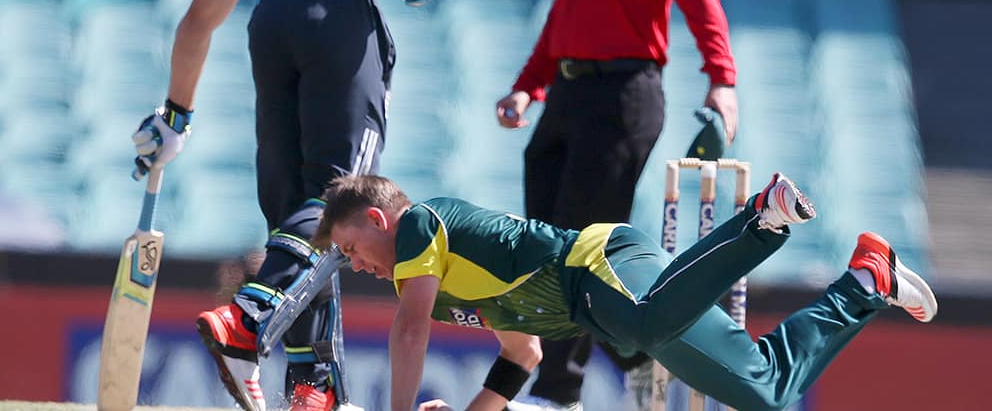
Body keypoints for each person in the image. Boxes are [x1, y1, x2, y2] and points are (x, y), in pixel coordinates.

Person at [130, 0, 454, 411]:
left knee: (295, 214)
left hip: (271, 24)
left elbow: (197, 20)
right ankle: (247, 320)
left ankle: (313, 387)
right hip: (340, 10)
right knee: (341, 197)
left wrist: (176, 114)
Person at [494, 0, 737, 409]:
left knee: (577, 245)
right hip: (568, 95)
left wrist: (723, 80)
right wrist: (530, 83)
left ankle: (558, 394)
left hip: (625, 94)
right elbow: (565, 16)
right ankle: (642, 354)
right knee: (544, 248)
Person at [314, 172, 937, 411]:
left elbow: (410, 329)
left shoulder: (421, 225)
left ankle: (759, 218)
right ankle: (866, 281)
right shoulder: (451, 291)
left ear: (376, 219)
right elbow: (522, 355)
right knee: (766, 393)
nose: (355, 265)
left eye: (349, 249)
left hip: (603, 267)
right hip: (629, 309)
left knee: (639, 327)